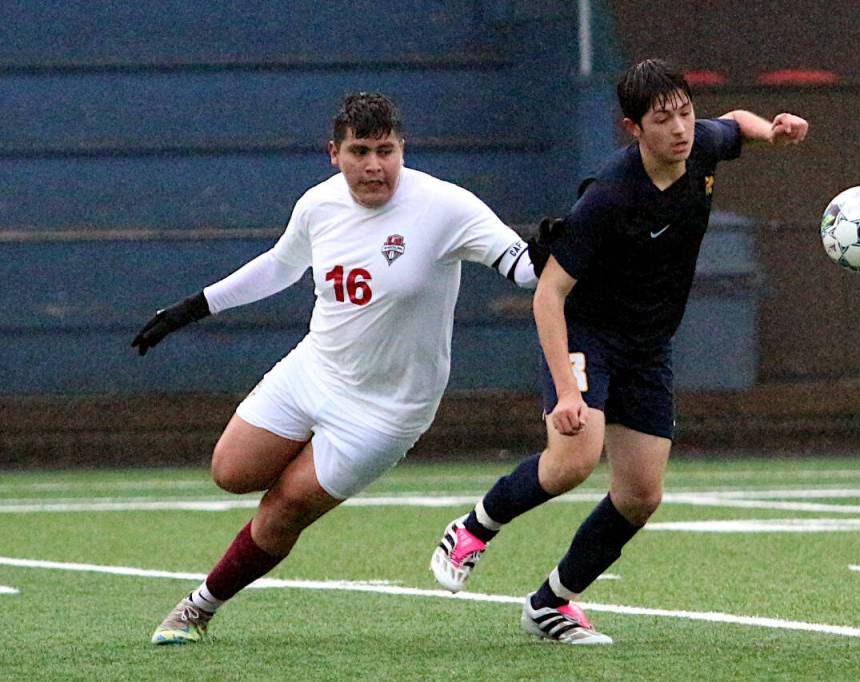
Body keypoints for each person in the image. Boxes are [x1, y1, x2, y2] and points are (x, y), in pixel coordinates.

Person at [134, 92, 553, 645]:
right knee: (230, 472)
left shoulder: (447, 206)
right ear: (335, 153)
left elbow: (522, 268)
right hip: (315, 370)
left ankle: (199, 607)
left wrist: (552, 251)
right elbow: (280, 266)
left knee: (284, 508)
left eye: (386, 151)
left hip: (388, 408)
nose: (375, 165)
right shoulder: (319, 204)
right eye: (360, 151)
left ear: (404, 148)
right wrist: (193, 308)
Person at [430, 58, 809, 644]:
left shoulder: (700, 145)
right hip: (586, 335)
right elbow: (549, 295)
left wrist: (771, 131)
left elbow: (733, 120)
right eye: (664, 120)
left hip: (649, 345)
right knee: (571, 462)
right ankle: (474, 528)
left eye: (685, 112)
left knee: (640, 494)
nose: (681, 128)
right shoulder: (608, 197)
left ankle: (551, 604)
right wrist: (564, 391)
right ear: (634, 128)